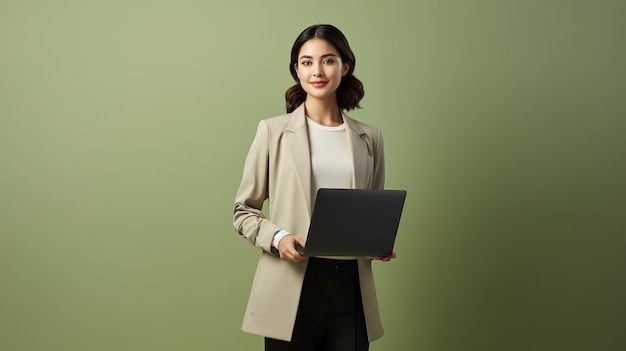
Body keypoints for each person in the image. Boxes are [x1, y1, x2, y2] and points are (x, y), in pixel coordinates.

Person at [233, 24, 396, 351]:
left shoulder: (370, 138)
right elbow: (243, 212)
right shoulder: (272, 132)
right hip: (291, 285)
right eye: (306, 62)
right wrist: (279, 239)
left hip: (352, 290)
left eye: (328, 60)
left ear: (345, 66)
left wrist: (377, 242)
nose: (317, 71)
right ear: (296, 70)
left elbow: (370, 210)